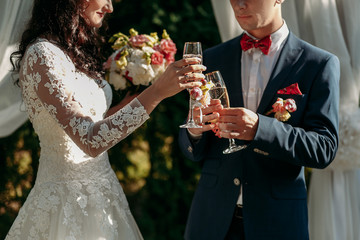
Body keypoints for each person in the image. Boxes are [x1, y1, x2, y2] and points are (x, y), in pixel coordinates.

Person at [5, 0, 205, 239]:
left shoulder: (72, 52)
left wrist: (136, 98)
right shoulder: (42, 55)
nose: (110, 7)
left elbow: (96, 123)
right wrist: (158, 92)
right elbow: (90, 140)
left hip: (105, 195)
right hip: (64, 203)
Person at [178, 0, 340, 239]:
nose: (239, 5)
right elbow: (192, 149)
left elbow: (324, 148)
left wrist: (260, 129)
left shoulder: (319, 64)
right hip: (210, 219)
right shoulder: (212, 58)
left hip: (278, 222)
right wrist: (195, 130)